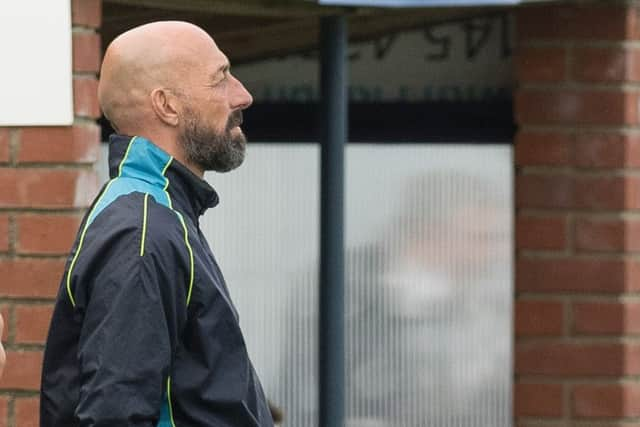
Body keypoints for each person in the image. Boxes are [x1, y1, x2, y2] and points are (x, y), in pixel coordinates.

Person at [40, 21, 273, 427]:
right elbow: (116, 414)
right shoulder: (142, 230)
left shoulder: (155, 214)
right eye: (220, 79)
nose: (243, 95)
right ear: (167, 106)